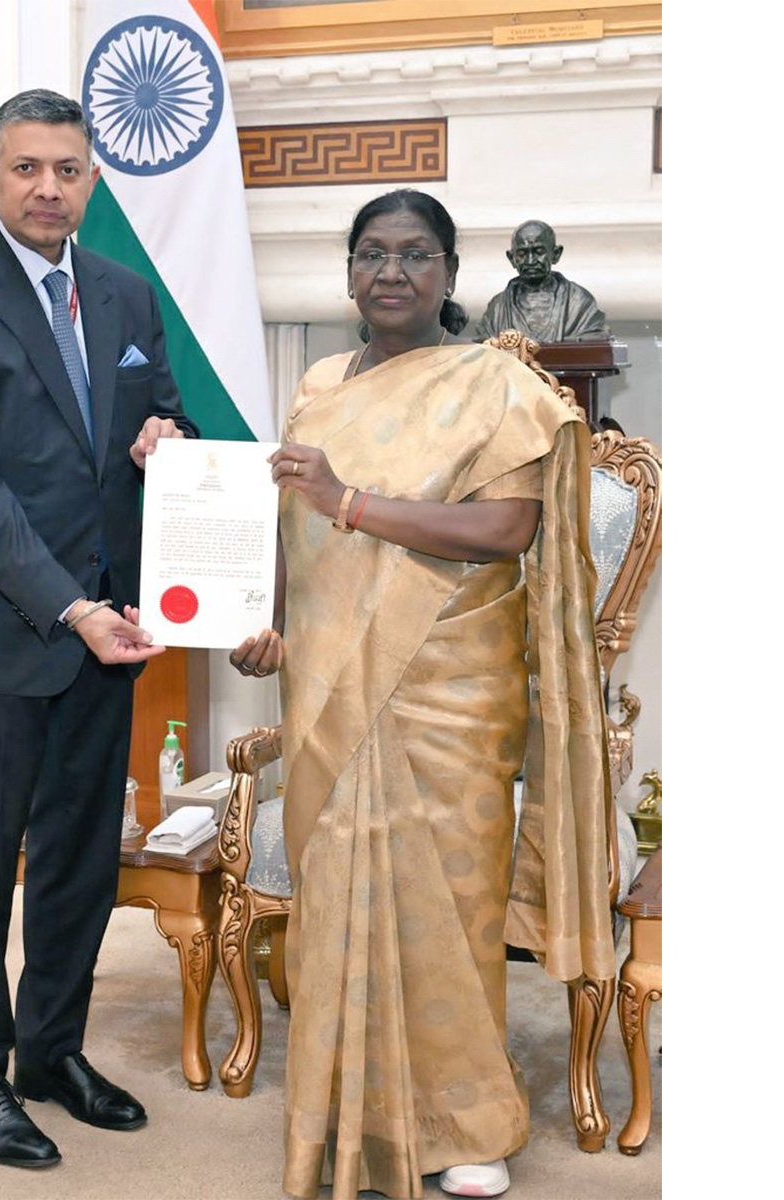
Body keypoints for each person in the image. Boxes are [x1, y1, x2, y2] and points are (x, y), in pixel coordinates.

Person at [229, 190, 614, 1199]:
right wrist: (263, 618)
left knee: (448, 901)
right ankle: (344, 1111)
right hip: (327, 680)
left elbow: (507, 532)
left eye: (412, 255)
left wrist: (349, 501)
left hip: (453, 681)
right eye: (370, 254)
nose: (389, 272)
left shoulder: (495, 385)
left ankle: (462, 1128)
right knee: (335, 898)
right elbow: (289, 523)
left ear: (449, 273)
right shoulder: (316, 384)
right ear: (347, 272)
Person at [0, 88, 198, 1171]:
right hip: (2, 635)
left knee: (78, 857)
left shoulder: (123, 294)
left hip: (110, 628)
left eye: (66, 169)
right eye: (25, 168)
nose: (47, 187)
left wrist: (166, 431)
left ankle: (49, 1052)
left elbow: (167, 415)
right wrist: (67, 607)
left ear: (93, 180)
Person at [472, 218, 610, 344]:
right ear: (511, 258)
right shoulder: (497, 308)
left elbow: (595, 339)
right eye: (522, 254)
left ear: (555, 254)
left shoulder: (579, 302)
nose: (531, 261)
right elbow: (485, 347)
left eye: (538, 252)